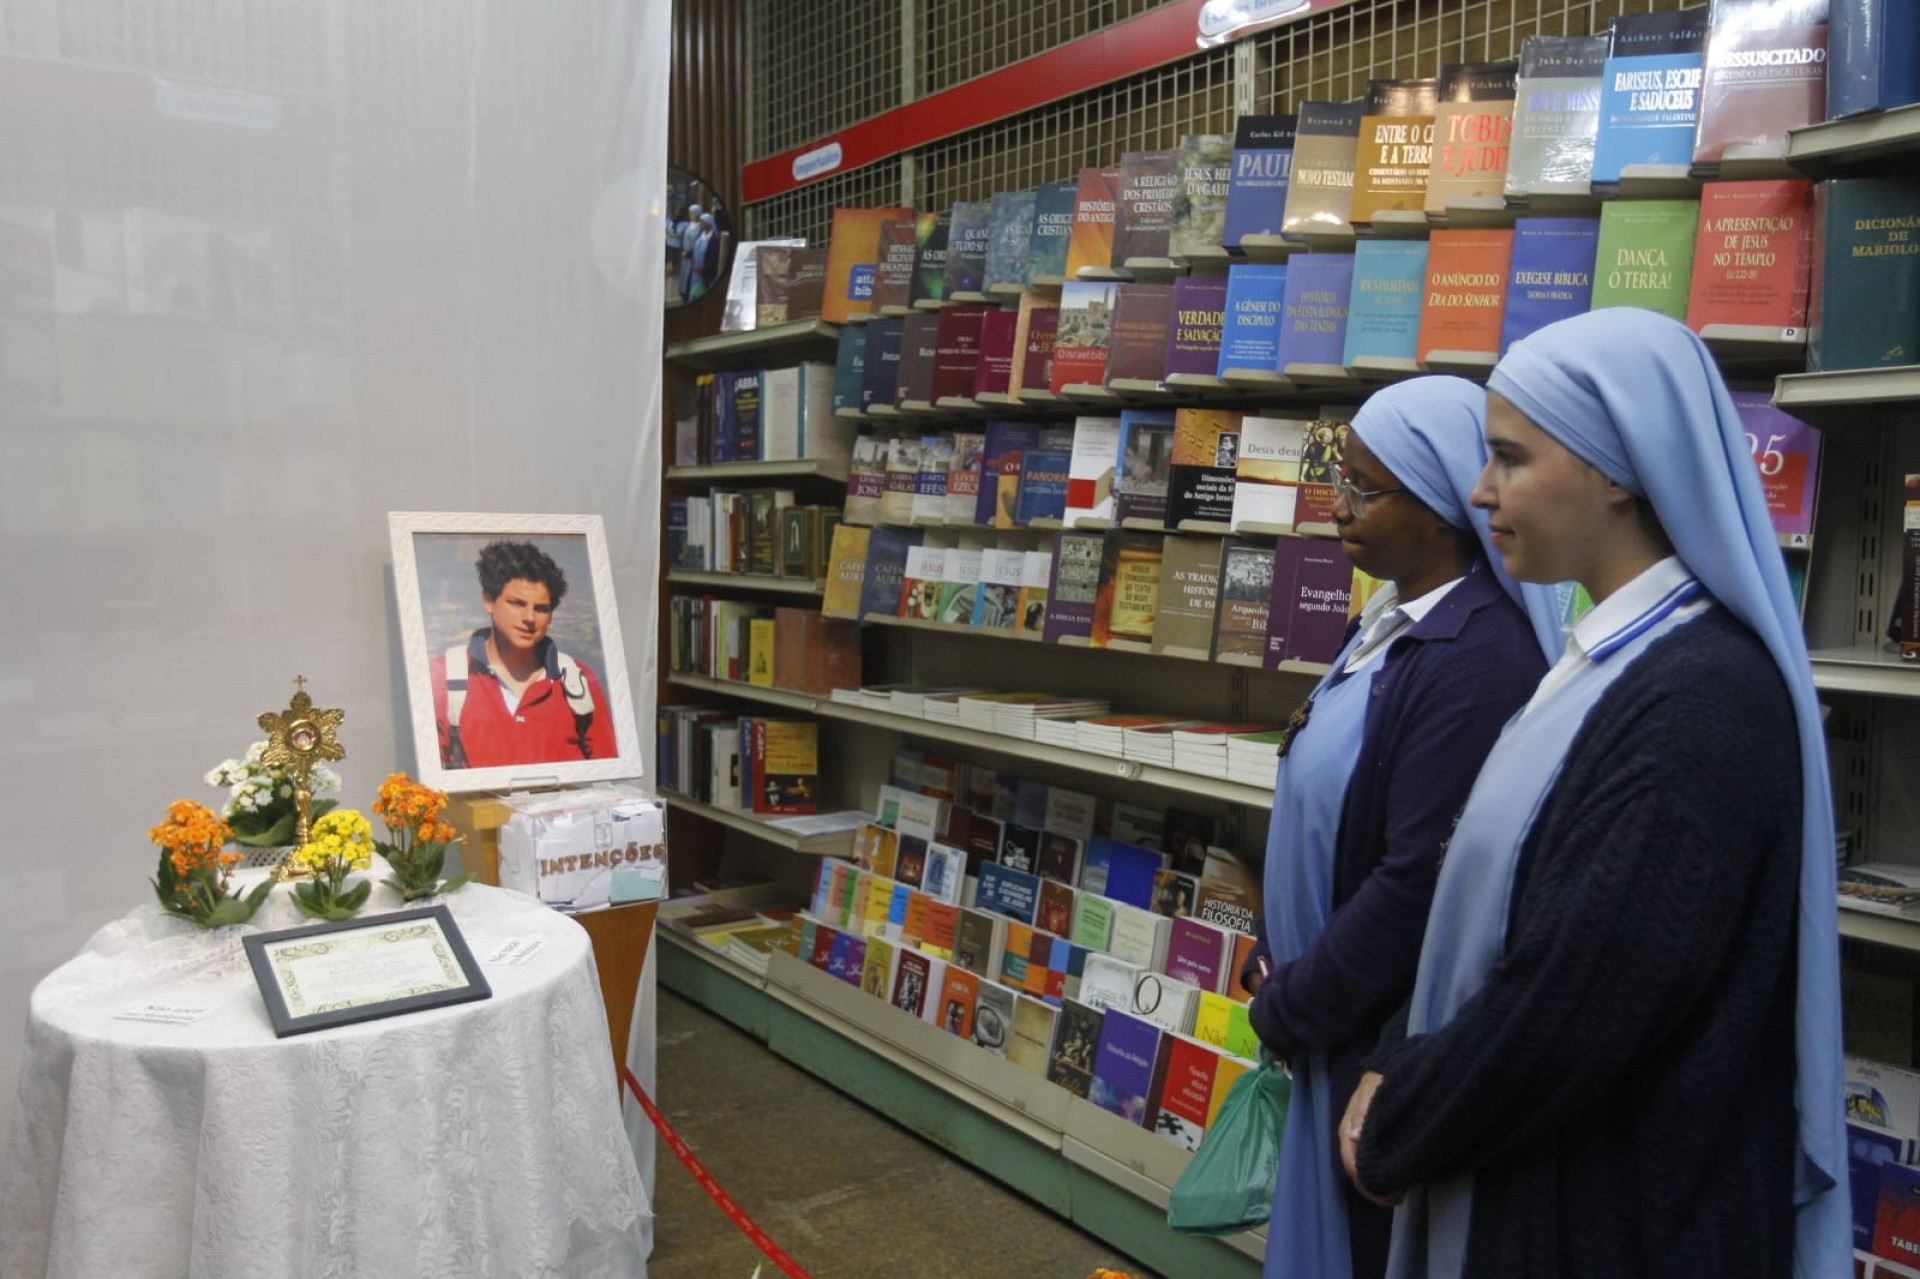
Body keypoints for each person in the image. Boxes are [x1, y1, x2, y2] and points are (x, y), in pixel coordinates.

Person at [1340, 308, 1849, 1278]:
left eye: (1510, 458)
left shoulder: (1699, 699)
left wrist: (1401, 1116)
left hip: (1615, 1221)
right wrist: (1400, 1054)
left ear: (1619, 468)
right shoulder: (1606, 660)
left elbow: (1574, 1004)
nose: (1479, 488)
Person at [1246, 377, 1563, 1279]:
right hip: (1323, 1013)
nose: (1337, 507)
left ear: (1436, 505)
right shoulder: (1387, 618)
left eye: (1363, 487)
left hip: (1370, 1037)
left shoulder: (1473, 659)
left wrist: (1292, 1001)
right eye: (1337, 480)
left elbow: (1416, 881)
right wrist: (1273, 947)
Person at [429, 540, 618, 770]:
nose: (529, 618)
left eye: (541, 608)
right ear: (489, 601)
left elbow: (606, 778)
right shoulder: (445, 678)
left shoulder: (577, 682)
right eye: (517, 604)